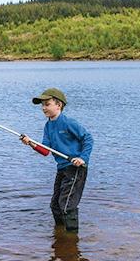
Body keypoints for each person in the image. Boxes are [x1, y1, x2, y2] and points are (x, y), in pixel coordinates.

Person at [21, 87, 94, 233]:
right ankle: (60, 234)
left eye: (47, 104)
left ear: (58, 105)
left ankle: (71, 238)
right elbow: (45, 151)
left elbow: (88, 138)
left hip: (76, 168)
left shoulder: (68, 123)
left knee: (66, 205)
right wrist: (30, 143)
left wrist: (82, 158)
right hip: (62, 168)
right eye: (42, 105)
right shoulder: (48, 126)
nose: (43, 108)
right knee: (55, 205)